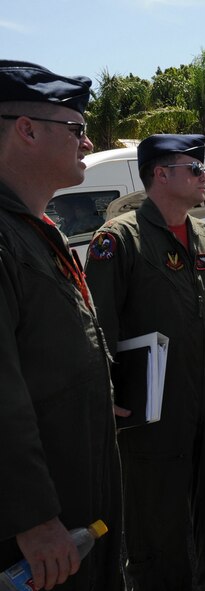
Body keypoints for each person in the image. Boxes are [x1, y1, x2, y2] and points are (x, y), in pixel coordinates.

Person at [84, 134, 205, 590]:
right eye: (195, 169)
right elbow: (96, 324)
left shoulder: (204, 234)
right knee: (154, 510)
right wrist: (105, 393)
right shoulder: (118, 240)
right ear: (161, 174)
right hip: (150, 399)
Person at [0, 61, 123, 590]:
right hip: (35, 534)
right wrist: (31, 516)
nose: (89, 142)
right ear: (26, 130)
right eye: (76, 128)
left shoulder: (34, 229)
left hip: (74, 501)